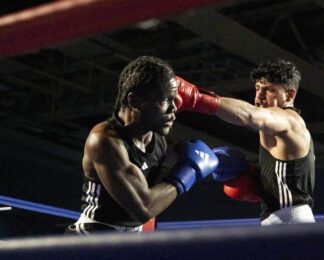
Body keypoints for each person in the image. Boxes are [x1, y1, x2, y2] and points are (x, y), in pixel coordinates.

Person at [66, 56, 219, 235]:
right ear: (134, 101)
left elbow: (197, 155)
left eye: (174, 99)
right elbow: (143, 208)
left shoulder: (158, 135)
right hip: (92, 240)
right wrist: (189, 173)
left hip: (131, 239)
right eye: (165, 100)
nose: (174, 108)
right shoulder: (104, 140)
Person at [175, 59, 315, 225]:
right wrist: (260, 183)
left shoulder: (289, 120)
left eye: (269, 90)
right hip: (282, 219)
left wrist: (196, 98)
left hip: (290, 220)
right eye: (257, 88)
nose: (260, 96)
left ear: (290, 95)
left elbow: (250, 115)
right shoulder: (276, 129)